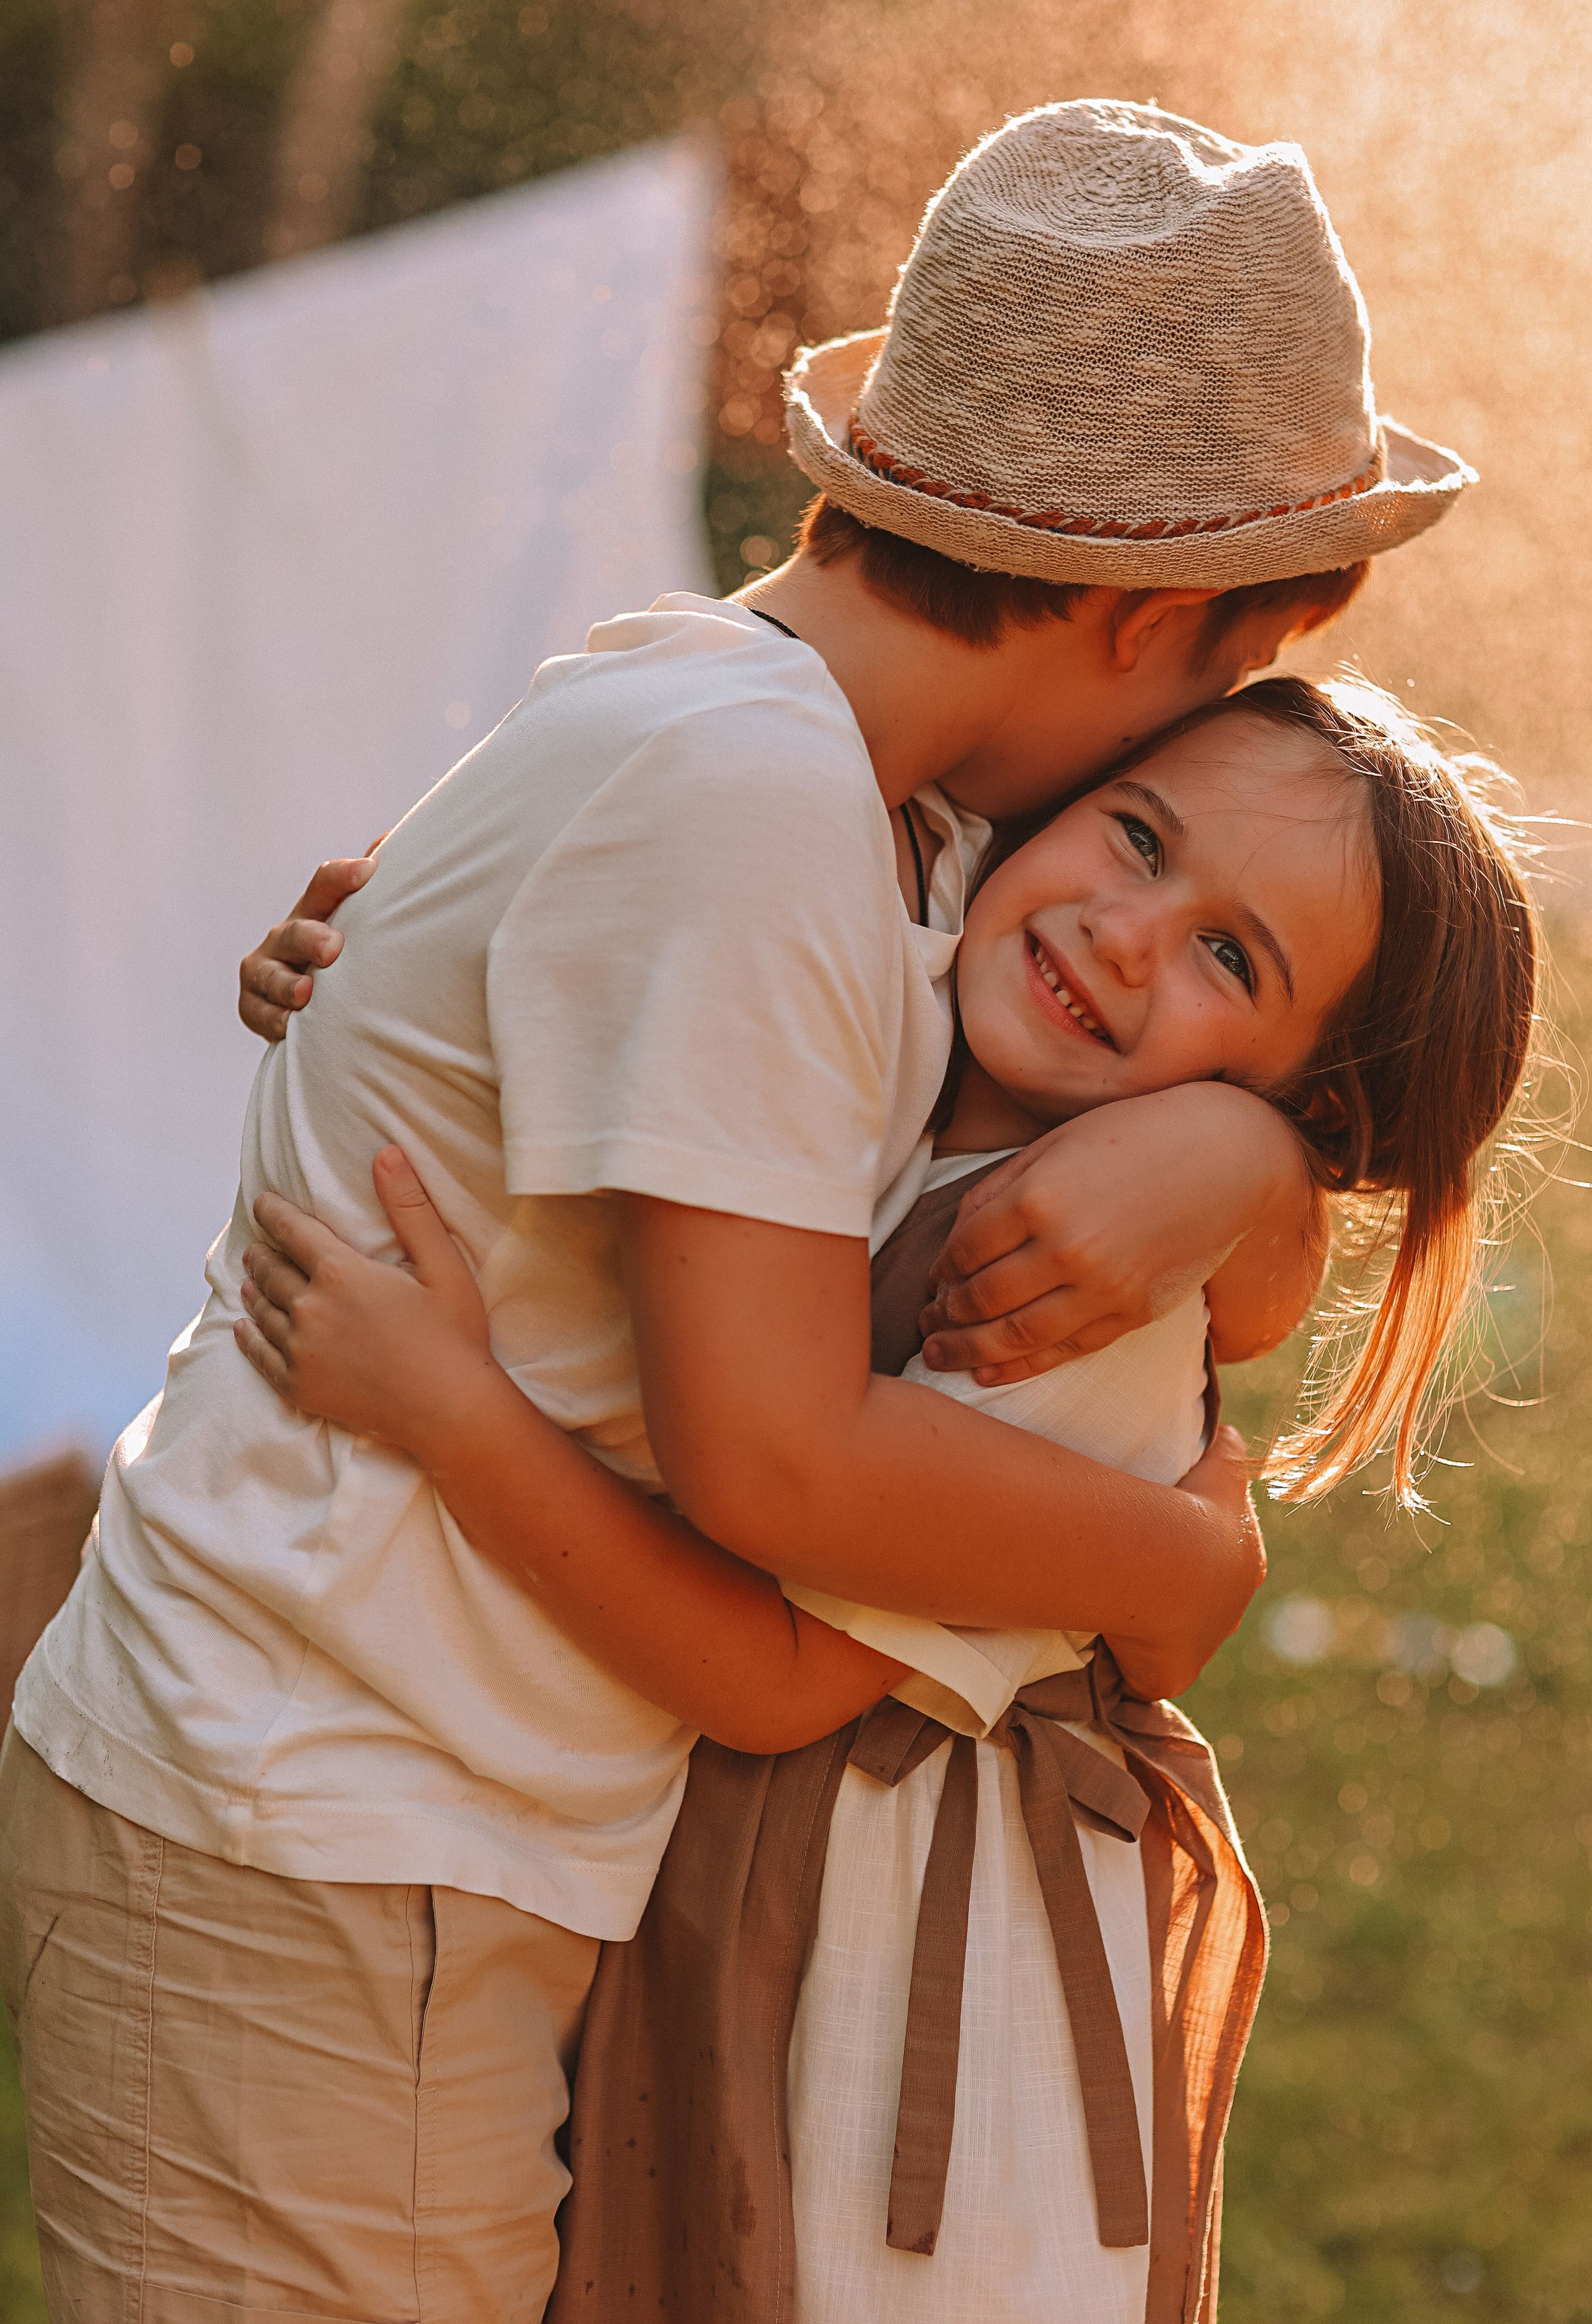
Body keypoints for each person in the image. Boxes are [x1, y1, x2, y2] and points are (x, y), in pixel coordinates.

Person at [0, 102, 1472, 2324]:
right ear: (1164, 620)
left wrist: (1251, 1157)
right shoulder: (767, 813)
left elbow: (1198, 1232)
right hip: (327, 1828)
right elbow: (773, 1460)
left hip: (352, 1808)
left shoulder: (832, 783)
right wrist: (1181, 1560)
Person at [229, 677, 1537, 2323]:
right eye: (1140, 838)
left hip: (902, 2020)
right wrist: (392, 966)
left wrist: (448, 1410)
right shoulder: (899, 1008)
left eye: (1230, 959)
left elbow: (770, 1680)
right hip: (748, 1929)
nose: (1130, 936)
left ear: (1308, 1105)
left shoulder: (1062, 1291)